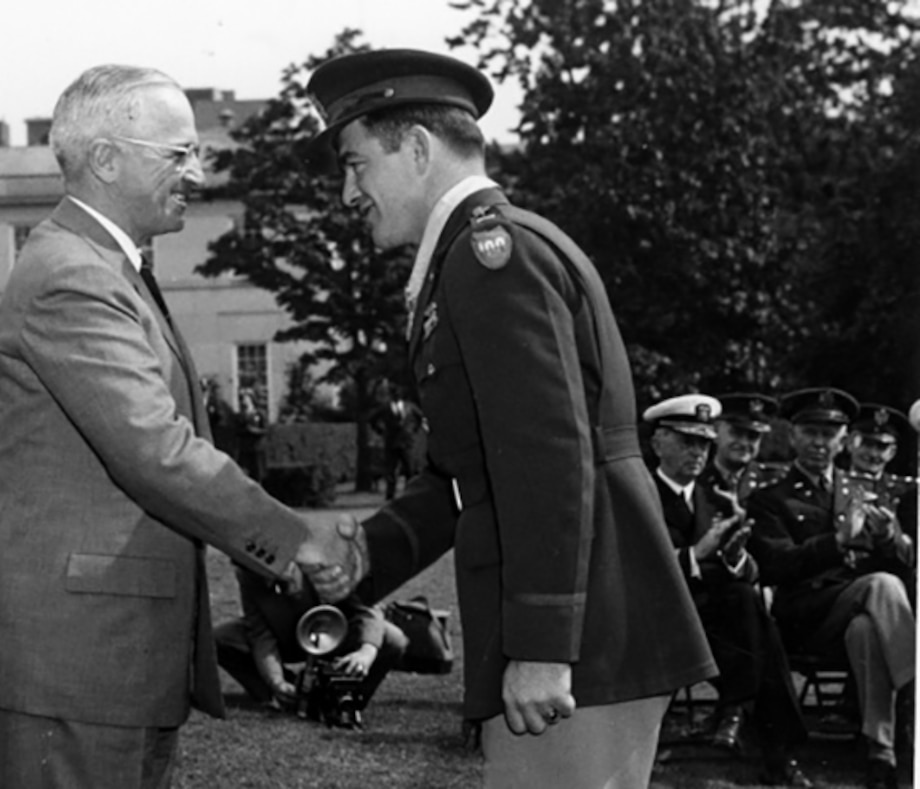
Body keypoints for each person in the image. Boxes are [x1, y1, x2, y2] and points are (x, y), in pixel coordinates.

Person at [302, 48, 716, 789]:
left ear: (419, 149)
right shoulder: (474, 255)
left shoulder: (493, 256)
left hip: (582, 641)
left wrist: (545, 646)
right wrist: (371, 550)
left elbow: (548, 459)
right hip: (589, 624)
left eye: (356, 163)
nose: (347, 191)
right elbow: (471, 471)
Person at [0, 64, 354, 789]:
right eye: (179, 155)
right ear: (106, 158)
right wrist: (294, 538)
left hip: (109, 658)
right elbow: (156, 452)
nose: (196, 173)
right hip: (76, 662)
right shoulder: (73, 275)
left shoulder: (110, 267)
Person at [748, 387, 916, 789]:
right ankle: (916, 691)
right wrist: (836, 543)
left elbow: (891, 566)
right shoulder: (770, 499)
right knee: (881, 585)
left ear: (843, 440)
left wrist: (890, 539)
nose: (819, 443)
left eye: (829, 434)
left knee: (866, 629)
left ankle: (881, 752)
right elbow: (776, 567)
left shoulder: (860, 491)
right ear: (792, 436)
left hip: (856, 614)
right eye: (810, 432)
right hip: (804, 616)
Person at [643, 394, 811, 787]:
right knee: (753, 623)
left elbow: (746, 571)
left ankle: (742, 712)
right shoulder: (641, 495)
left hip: (711, 625)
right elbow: (637, 569)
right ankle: (771, 743)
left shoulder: (714, 499)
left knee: (747, 604)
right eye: (686, 441)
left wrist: (736, 557)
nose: (696, 452)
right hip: (652, 619)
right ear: (657, 444)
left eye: (703, 442)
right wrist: (695, 555)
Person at [213, 564, 407, 729]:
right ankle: (286, 696)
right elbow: (260, 633)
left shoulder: (322, 560)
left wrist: (366, 651)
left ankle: (348, 698)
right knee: (220, 638)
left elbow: (367, 608)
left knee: (393, 639)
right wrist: (276, 681)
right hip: (287, 636)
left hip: (337, 632)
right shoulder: (248, 576)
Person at [700, 392, 783, 503]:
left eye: (753, 436)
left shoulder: (777, 483)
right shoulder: (697, 482)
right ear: (716, 431)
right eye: (736, 433)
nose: (744, 443)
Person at [846, 403, 918, 515]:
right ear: (850, 443)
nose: (873, 454)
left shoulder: (905, 492)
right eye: (867, 443)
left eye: (882, 447)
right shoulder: (831, 486)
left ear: (892, 452)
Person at [370, 383, 422, 499]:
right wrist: (381, 431)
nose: (396, 396)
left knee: (410, 469)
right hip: (391, 442)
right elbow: (372, 420)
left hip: (407, 442)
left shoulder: (410, 407)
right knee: (391, 470)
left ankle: (410, 493)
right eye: (394, 394)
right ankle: (390, 495)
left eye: (398, 394)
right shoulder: (385, 407)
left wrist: (413, 430)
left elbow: (420, 418)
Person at [235, 388, 267, 480]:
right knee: (244, 475)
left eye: (246, 399)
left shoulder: (259, 414)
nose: (244, 401)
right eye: (242, 399)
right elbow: (237, 431)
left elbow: (265, 429)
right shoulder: (240, 416)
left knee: (257, 475)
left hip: (256, 449)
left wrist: (254, 430)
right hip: (245, 449)